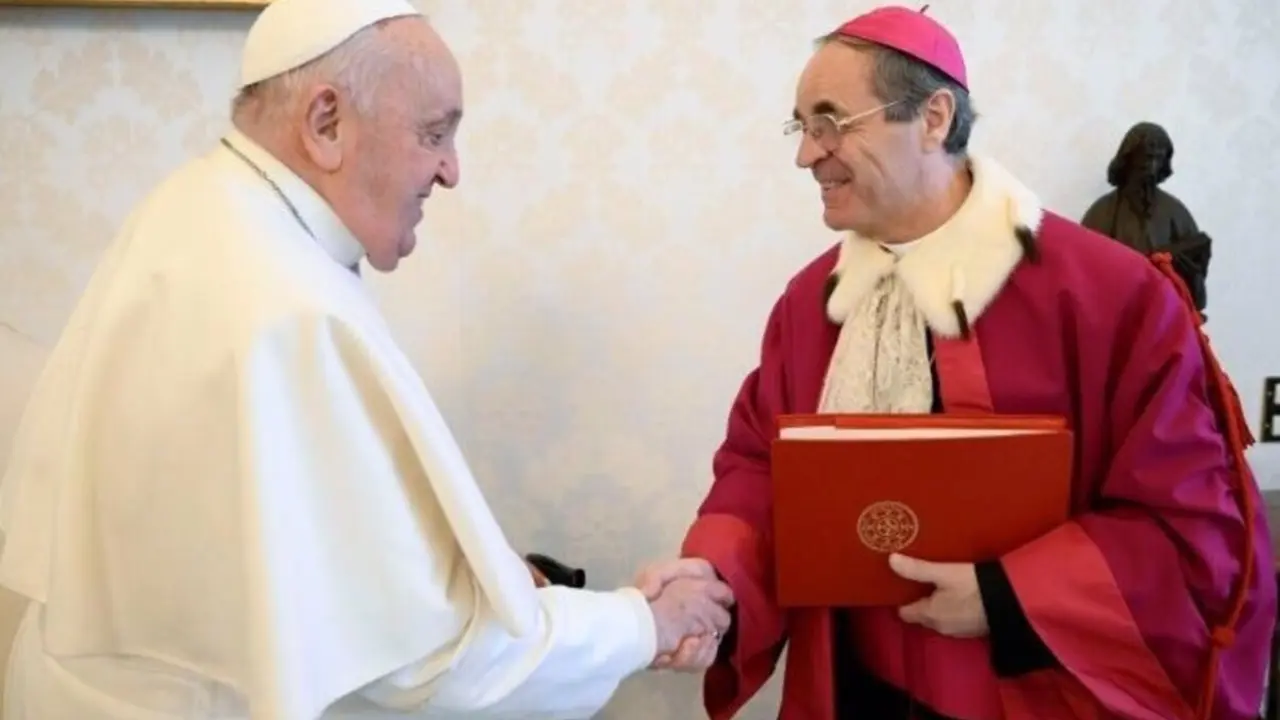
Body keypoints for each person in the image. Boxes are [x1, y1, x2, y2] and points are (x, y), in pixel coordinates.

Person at [0, 0, 733, 718]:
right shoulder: (285, 302)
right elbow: (426, 661)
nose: (450, 172)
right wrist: (644, 623)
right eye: (433, 133)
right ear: (326, 123)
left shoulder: (201, 208)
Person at [635, 6, 1274, 720]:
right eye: (800, 127)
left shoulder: (1110, 296)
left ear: (934, 117)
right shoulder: (808, 304)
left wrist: (1011, 597)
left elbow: (1190, 531)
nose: (806, 155)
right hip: (853, 689)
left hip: (1029, 694)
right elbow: (760, 468)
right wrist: (712, 578)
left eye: (830, 122)